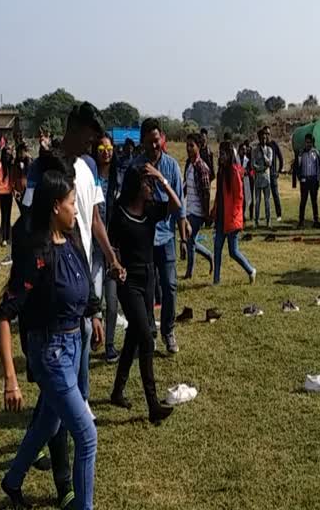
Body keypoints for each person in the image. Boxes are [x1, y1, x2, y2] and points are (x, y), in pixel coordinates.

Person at [0, 168, 103, 510]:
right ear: (56, 206)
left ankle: (12, 481)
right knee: (86, 436)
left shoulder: (69, 242)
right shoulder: (38, 255)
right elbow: (4, 317)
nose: (76, 209)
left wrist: (93, 316)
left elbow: (79, 289)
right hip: (50, 354)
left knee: (47, 424)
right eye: (71, 203)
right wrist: (11, 380)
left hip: (74, 346)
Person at [23, 102, 125, 419]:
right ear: (73, 129)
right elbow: (28, 221)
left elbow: (94, 219)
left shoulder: (90, 167)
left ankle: (76, 411)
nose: (91, 144)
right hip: (52, 276)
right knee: (58, 358)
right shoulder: (44, 169)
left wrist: (110, 258)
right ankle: (66, 426)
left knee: (79, 343)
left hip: (79, 268)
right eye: (88, 136)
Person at [108, 162, 177, 423]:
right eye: (148, 184)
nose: (151, 188)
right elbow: (111, 245)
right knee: (147, 338)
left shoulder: (150, 210)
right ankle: (153, 406)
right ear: (138, 187)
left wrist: (162, 179)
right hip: (129, 281)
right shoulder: (120, 213)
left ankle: (117, 391)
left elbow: (176, 206)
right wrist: (115, 265)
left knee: (134, 337)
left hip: (149, 278)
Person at [129, 118, 187, 354]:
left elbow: (179, 205)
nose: (155, 146)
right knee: (147, 289)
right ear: (142, 142)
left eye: (158, 141)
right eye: (150, 142)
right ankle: (150, 333)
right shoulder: (135, 167)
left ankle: (168, 330)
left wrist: (183, 238)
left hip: (166, 238)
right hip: (142, 240)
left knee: (170, 286)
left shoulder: (171, 166)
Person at [92, 134, 122, 364]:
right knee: (95, 298)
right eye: (102, 147)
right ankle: (93, 338)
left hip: (113, 248)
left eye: (109, 147)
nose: (106, 151)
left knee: (112, 301)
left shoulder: (118, 178)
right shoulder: (89, 177)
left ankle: (110, 345)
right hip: (93, 249)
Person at [209, 141, 257, 285]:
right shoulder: (221, 172)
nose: (221, 156)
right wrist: (214, 210)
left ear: (229, 155)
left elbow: (239, 197)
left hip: (232, 219)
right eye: (220, 153)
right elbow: (219, 194)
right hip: (220, 218)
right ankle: (216, 280)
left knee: (233, 252)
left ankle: (250, 270)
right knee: (217, 248)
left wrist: (236, 217)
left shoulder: (234, 172)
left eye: (223, 154)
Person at [182, 133, 214, 279]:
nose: (188, 149)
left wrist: (206, 214)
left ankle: (189, 273)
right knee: (192, 241)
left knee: (189, 240)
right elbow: (186, 186)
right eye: (187, 145)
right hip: (188, 209)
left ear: (198, 147)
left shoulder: (202, 168)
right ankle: (209, 256)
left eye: (191, 146)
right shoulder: (189, 165)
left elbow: (206, 193)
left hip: (198, 212)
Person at [296, 134, 320, 228]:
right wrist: (299, 177)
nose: (308, 144)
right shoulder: (301, 153)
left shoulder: (316, 153)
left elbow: (319, 167)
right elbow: (297, 165)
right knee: (303, 201)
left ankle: (316, 220)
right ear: (305, 142)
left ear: (312, 143)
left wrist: (319, 179)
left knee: (314, 201)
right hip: (304, 180)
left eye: (310, 142)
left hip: (313, 179)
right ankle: (301, 220)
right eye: (307, 142)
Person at [251, 128, 274, 229]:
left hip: (266, 179)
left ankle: (268, 221)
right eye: (261, 138)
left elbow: (269, 163)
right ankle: (256, 221)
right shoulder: (254, 150)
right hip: (258, 179)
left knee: (267, 201)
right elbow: (253, 164)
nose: (263, 140)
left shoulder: (269, 150)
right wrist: (261, 168)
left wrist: (264, 156)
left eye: (265, 138)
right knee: (257, 201)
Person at [263, 126, 284, 221]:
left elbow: (280, 157)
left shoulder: (273, 144)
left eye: (268, 133)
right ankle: (268, 215)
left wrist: (279, 170)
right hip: (264, 174)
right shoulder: (262, 146)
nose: (266, 135)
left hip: (272, 174)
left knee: (275, 194)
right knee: (266, 196)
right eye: (265, 133)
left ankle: (279, 214)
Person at [12, 143, 30, 212]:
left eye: (23, 152)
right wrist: (15, 190)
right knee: (23, 212)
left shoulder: (30, 162)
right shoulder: (15, 164)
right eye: (20, 153)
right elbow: (13, 177)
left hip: (28, 192)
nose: (21, 154)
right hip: (18, 192)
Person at [238, 142, 252, 218]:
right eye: (242, 149)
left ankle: (243, 214)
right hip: (237, 182)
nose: (244, 151)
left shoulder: (248, 160)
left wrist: (248, 172)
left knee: (244, 199)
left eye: (245, 150)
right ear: (239, 150)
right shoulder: (236, 159)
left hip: (245, 181)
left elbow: (252, 171)